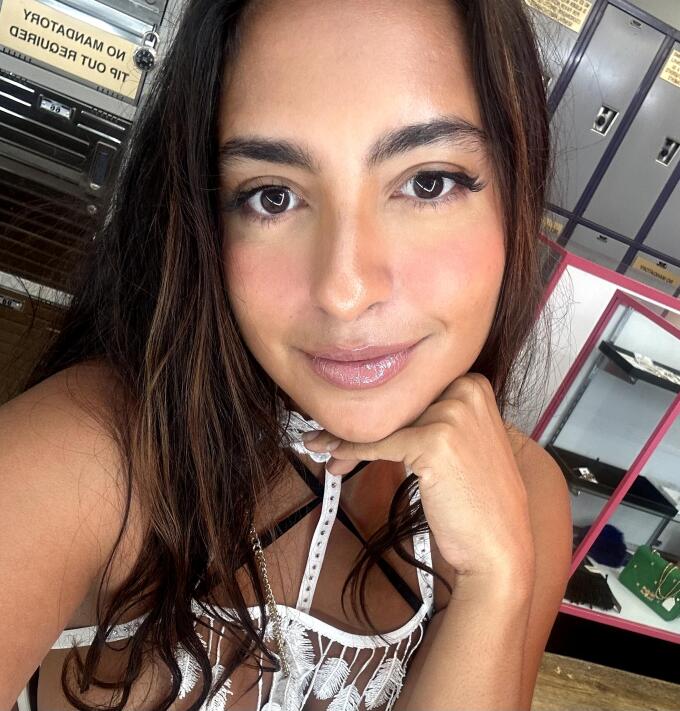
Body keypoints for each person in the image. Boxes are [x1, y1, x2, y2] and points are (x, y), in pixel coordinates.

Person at [0, 0, 573, 709]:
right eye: (273, 196)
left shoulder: (523, 497)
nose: (344, 291)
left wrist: (495, 581)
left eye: (428, 182)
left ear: (515, 195)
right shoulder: (83, 458)